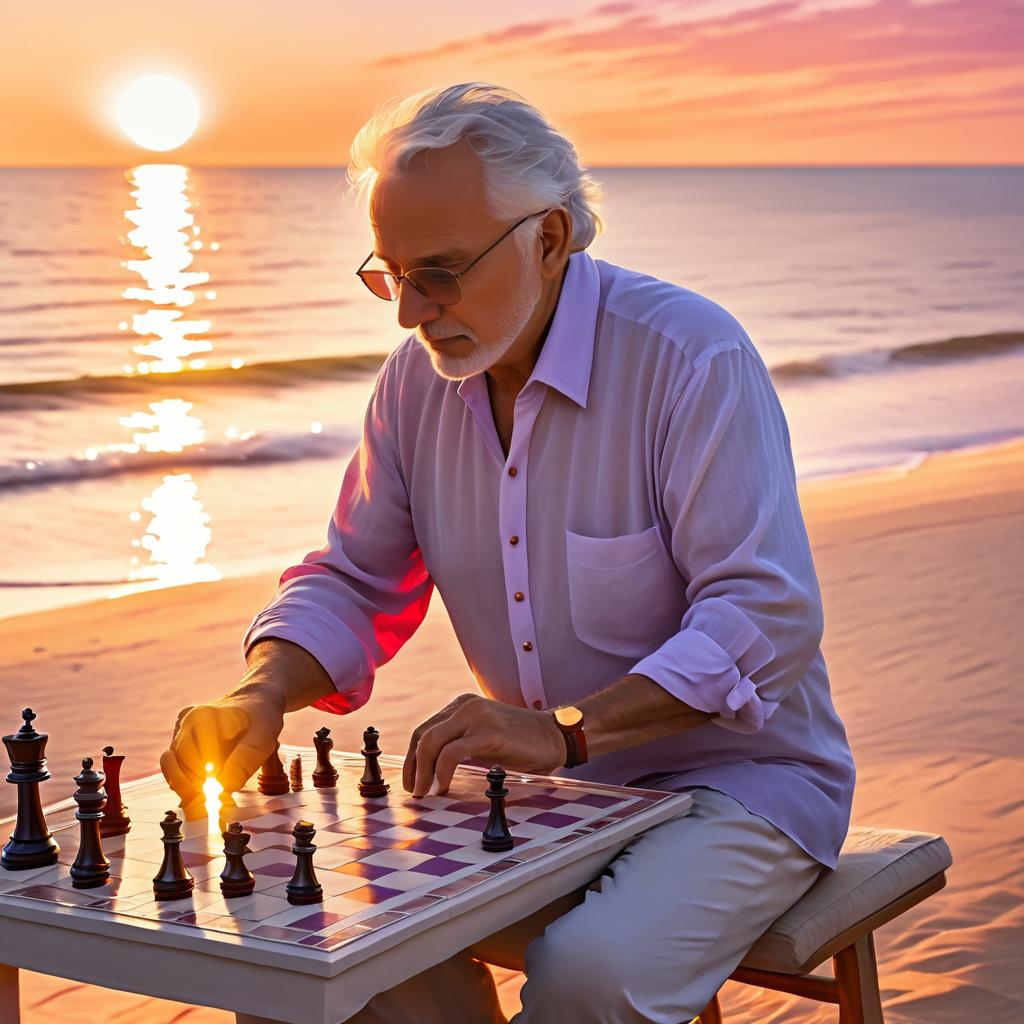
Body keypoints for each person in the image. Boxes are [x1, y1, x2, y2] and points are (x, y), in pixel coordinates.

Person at [160, 81, 856, 1023]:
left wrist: (563, 729)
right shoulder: (413, 386)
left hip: (742, 783)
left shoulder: (691, 356)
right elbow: (358, 579)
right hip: (551, 794)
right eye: (390, 274)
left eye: (440, 271)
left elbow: (762, 618)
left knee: (588, 975)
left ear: (552, 237)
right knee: (319, 944)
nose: (410, 311)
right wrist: (263, 690)